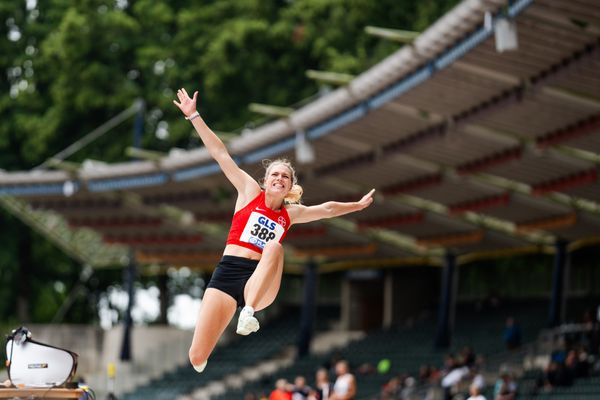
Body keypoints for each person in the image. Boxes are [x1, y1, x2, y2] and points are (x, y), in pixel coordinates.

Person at [173, 88, 376, 373]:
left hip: (260, 280)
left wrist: (356, 206)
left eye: (285, 176)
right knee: (196, 358)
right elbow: (220, 153)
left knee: (274, 246)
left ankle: (248, 311)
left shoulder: (290, 214)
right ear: (266, 180)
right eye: (275, 175)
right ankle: (228, 324)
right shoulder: (248, 191)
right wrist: (193, 115)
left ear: (290, 186)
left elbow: (327, 209)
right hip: (228, 272)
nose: (280, 179)